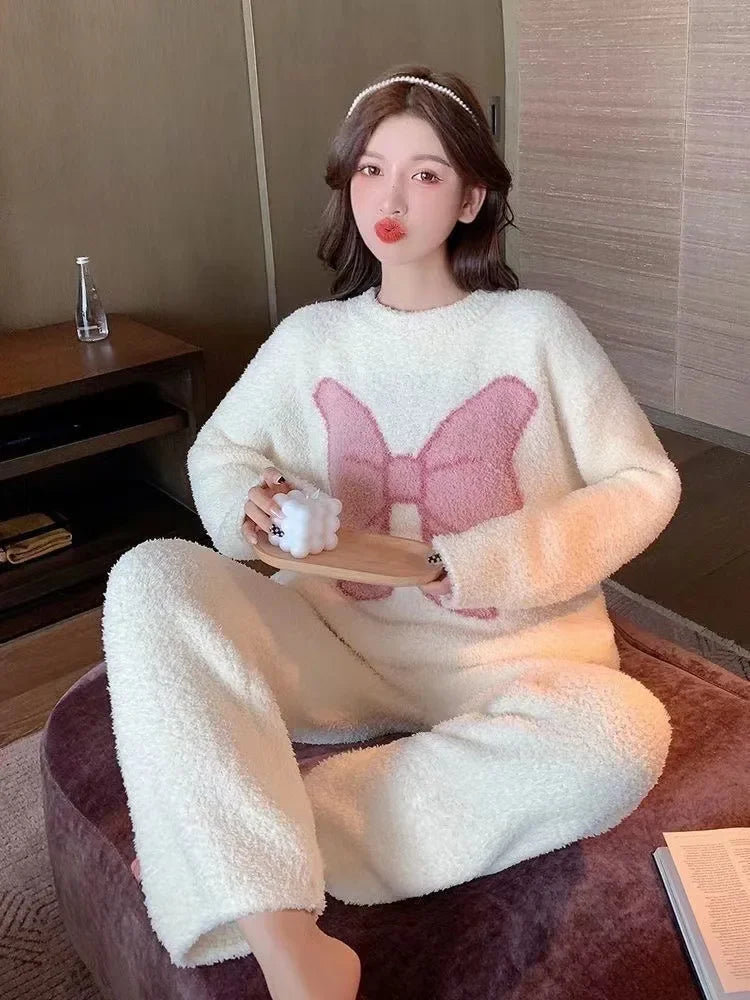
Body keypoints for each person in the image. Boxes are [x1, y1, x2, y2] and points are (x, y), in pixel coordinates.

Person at [103, 63, 682, 1000]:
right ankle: (290, 941)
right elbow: (220, 454)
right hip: (336, 647)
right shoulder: (311, 341)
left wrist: (474, 561)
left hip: (513, 662)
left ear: (471, 197)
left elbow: (644, 483)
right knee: (150, 576)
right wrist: (250, 500)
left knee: (623, 738)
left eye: (425, 173)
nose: (391, 198)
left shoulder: (534, 329)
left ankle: (237, 835)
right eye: (372, 170)